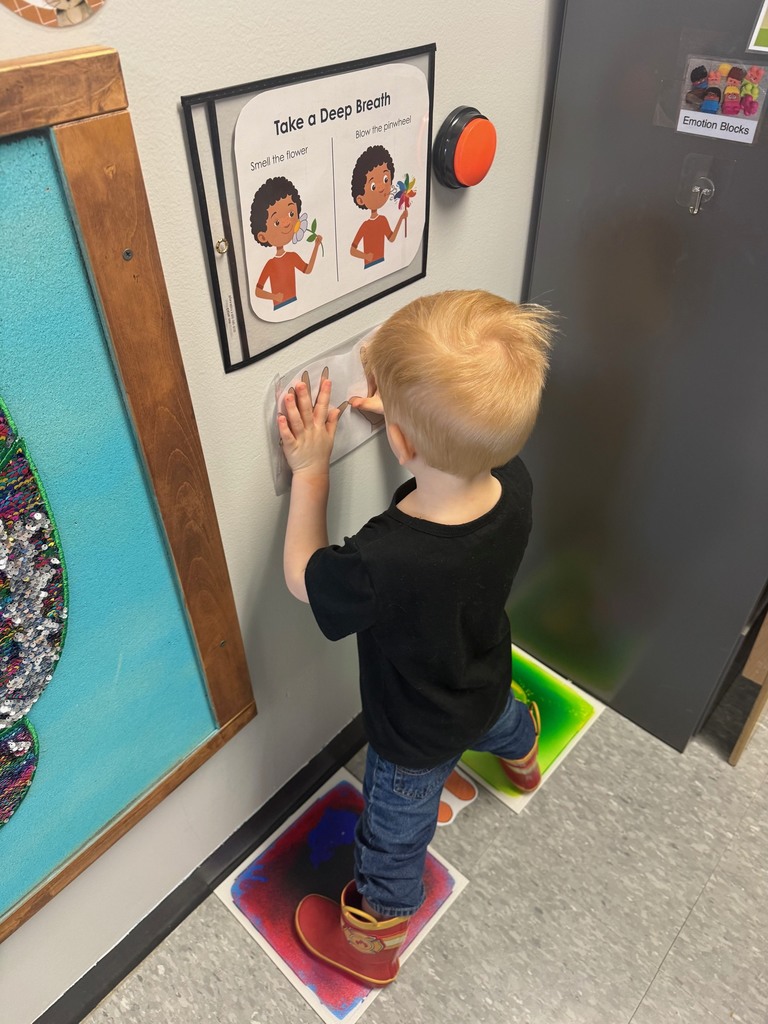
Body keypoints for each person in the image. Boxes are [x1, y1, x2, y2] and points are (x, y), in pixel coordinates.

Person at [277, 290, 555, 986]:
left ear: (398, 441)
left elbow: (303, 577)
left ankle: (371, 944)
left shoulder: (383, 561)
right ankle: (523, 758)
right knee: (499, 718)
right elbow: (455, 460)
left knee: (393, 838)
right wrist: (415, 418)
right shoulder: (512, 479)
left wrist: (311, 471)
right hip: (483, 672)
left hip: (412, 735)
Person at [250, 176, 322, 310]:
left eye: (291, 214)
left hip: (295, 303)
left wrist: (316, 246)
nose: (286, 223)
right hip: (279, 307)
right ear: (263, 236)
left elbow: (307, 270)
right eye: (276, 222)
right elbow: (258, 291)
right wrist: (274, 296)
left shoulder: (292, 257)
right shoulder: (270, 264)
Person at [349, 145, 407, 268]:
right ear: (360, 199)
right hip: (369, 266)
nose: (381, 188)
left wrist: (401, 219)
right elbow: (352, 250)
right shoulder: (365, 226)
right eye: (373, 186)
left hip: (382, 263)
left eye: (386, 179)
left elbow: (391, 238)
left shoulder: (382, 220)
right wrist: (365, 256)